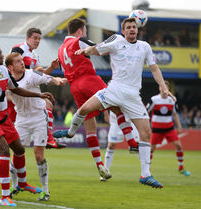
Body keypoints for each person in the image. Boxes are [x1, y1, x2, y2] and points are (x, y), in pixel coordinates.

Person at [55, 17, 175, 188]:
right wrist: (86, 51)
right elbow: (98, 48)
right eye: (129, 27)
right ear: (123, 30)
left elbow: (154, 68)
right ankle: (71, 132)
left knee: (146, 133)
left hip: (133, 96)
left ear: (137, 29)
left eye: (134, 27)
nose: (132, 29)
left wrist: (163, 86)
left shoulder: (145, 47)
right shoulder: (117, 40)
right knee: (84, 109)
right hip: (114, 91)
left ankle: (145, 174)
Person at [0, 44, 55, 206]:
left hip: (4, 120)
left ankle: (22, 183)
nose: (2, 55)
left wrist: (39, 94)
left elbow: (16, 89)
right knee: (4, 150)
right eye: (0, 53)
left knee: (19, 150)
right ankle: (5, 196)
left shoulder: (3, 71)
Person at [55, 18, 138, 180]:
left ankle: (99, 163)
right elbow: (100, 48)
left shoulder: (60, 49)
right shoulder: (79, 40)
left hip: (74, 86)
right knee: (117, 106)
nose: (86, 33)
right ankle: (132, 143)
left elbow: (63, 68)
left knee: (89, 125)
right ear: (79, 31)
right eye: (85, 30)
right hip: (88, 79)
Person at [5, 52, 67, 201]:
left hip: (39, 116)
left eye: (22, 60)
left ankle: (45, 190)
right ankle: (15, 185)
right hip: (21, 119)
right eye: (18, 61)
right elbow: (6, 94)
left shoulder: (31, 74)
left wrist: (58, 81)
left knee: (39, 154)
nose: (22, 63)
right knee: (17, 153)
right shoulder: (6, 80)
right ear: (10, 66)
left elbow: (48, 79)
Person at [11, 27, 66, 149]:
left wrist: (52, 68)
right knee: (47, 105)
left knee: (48, 105)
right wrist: (35, 70)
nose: (37, 41)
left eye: (39, 39)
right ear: (27, 38)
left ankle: (49, 139)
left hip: (30, 89)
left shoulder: (35, 55)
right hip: (19, 90)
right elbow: (16, 69)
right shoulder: (19, 49)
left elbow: (41, 74)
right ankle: (49, 139)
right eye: (35, 38)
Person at [147, 80, 190, 176]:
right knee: (151, 149)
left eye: (165, 88)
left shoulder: (172, 100)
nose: (163, 89)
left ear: (168, 89)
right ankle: (147, 170)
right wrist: (147, 126)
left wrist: (179, 126)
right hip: (156, 128)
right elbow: (146, 112)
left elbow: (175, 114)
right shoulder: (154, 99)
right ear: (159, 88)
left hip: (169, 127)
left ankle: (181, 168)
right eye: (161, 87)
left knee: (178, 145)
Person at [101, 111, 140, 181]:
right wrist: (106, 115)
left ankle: (146, 173)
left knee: (136, 146)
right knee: (111, 145)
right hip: (115, 119)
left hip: (130, 118)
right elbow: (104, 100)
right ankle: (105, 173)